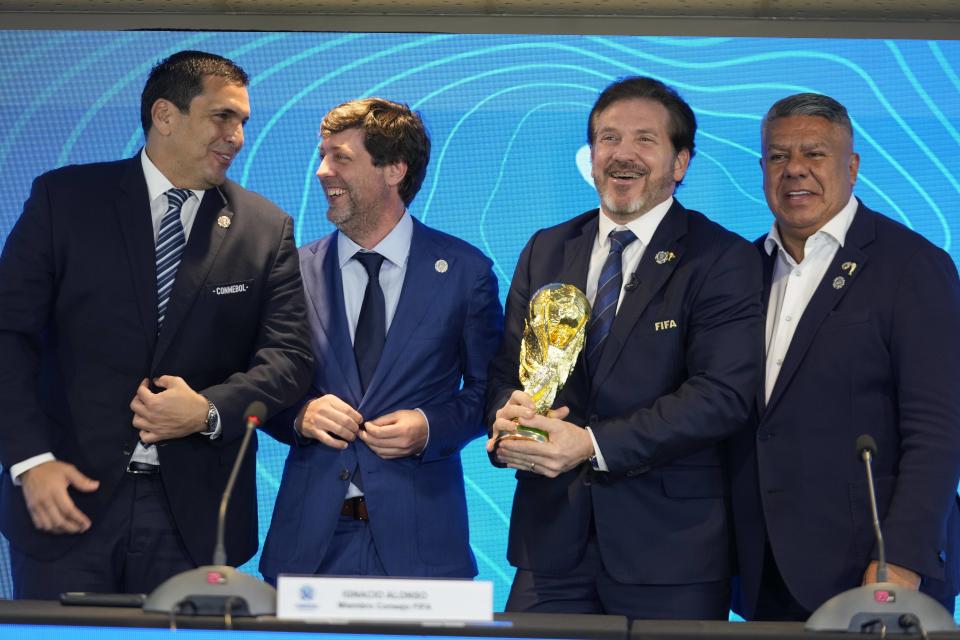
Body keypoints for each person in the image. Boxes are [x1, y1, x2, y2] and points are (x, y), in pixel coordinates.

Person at [0, 50, 314, 598]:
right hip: (66, 501)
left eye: (244, 122)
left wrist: (210, 410)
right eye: (223, 117)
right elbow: (9, 336)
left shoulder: (265, 227)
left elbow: (289, 358)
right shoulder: (65, 199)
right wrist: (31, 461)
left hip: (195, 522)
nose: (237, 136)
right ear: (165, 116)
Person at [485, 76, 763, 619]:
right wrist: (507, 418)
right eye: (608, 139)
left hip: (668, 555)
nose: (622, 155)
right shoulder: (547, 247)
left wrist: (591, 444)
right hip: (550, 547)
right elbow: (504, 373)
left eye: (644, 140)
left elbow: (721, 395)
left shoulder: (721, 257)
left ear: (680, 163)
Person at [729, 92, 960, 620]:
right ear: (761, 168)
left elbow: (939, 429)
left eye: (814, 154)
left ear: (851, 166)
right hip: (764, 575)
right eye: (779, 156)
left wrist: (900, 558)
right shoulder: (739, 270)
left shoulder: (912, 265)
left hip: (875, 573)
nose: (796, 171)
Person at [259, 98, 503, 581]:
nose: (322, 171)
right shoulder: (292, 271)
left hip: (424, 543)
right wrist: (299, 414)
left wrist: (429, 426)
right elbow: (260, 384)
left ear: (394, 170)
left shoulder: (465, 272)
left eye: (341, 158)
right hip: (309, 548)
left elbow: (488, 392)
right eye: (322, 155)